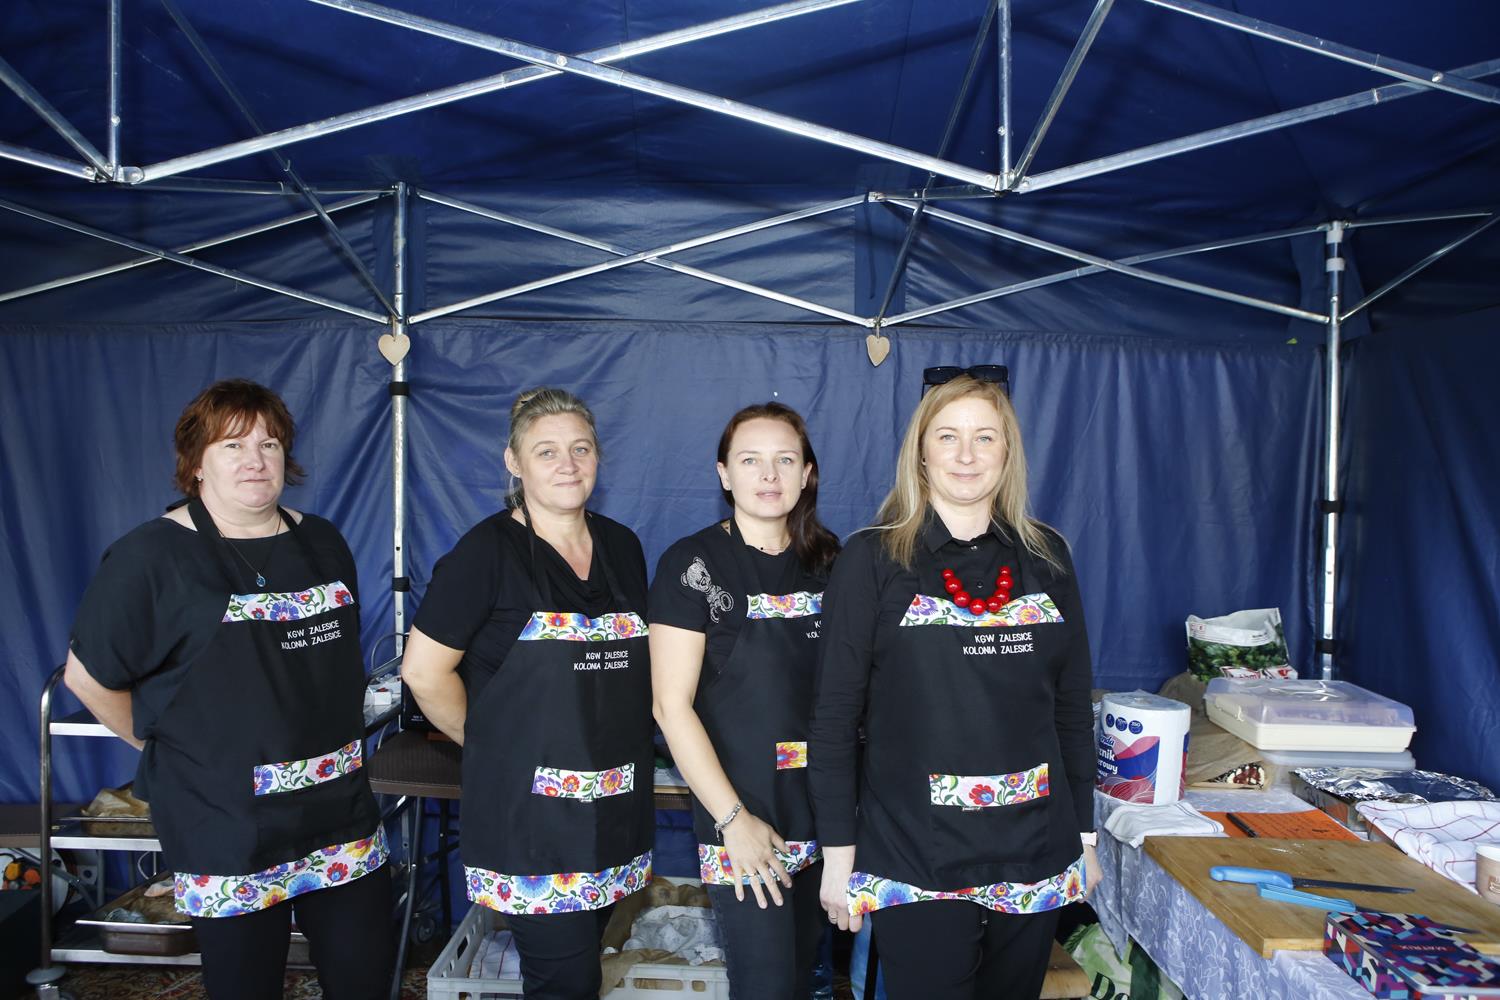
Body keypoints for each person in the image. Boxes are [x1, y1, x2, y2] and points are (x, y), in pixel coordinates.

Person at [64, 379, 391, 1000]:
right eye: (232, 445)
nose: (255, 460)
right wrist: (168, 750)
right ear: (196, 463)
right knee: (245, 985)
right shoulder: (151, 556)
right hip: (228, 823)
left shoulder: (323, 541)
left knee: (363, 978)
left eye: (269, 444)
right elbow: (87, 676)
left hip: (336, 810)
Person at [808, 373, 1100, 1000]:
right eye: (948, 437)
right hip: (914, 850)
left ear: (1007, 452)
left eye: (984, 437)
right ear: (921, 452)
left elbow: (1073, 708)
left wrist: (1085, 836)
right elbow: (832, 720)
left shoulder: (1048, 556)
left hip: (1035, 846)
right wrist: (839, 856)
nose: (966, 455)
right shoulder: (872, 559)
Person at [402, 387, 653, 1000]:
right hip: (532, 821)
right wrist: (491, 746)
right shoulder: (485, 553)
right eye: (546, 451)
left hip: (611, 807)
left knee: (584, 965)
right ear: (514, 462)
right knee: (565, 983)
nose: (567, 464)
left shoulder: (622, 546)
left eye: (580, 449)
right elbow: (424, 672)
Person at [650, 403, 841, 999]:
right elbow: (669, 707)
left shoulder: (831, 563)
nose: (769, 474)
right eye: (750, 460)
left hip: (823, 815)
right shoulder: (692, 566)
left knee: (805, 977)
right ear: (724, 474)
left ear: (806, 473)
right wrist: (734, 822)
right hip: (743, 819)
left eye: (785, 459)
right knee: (765, 986)